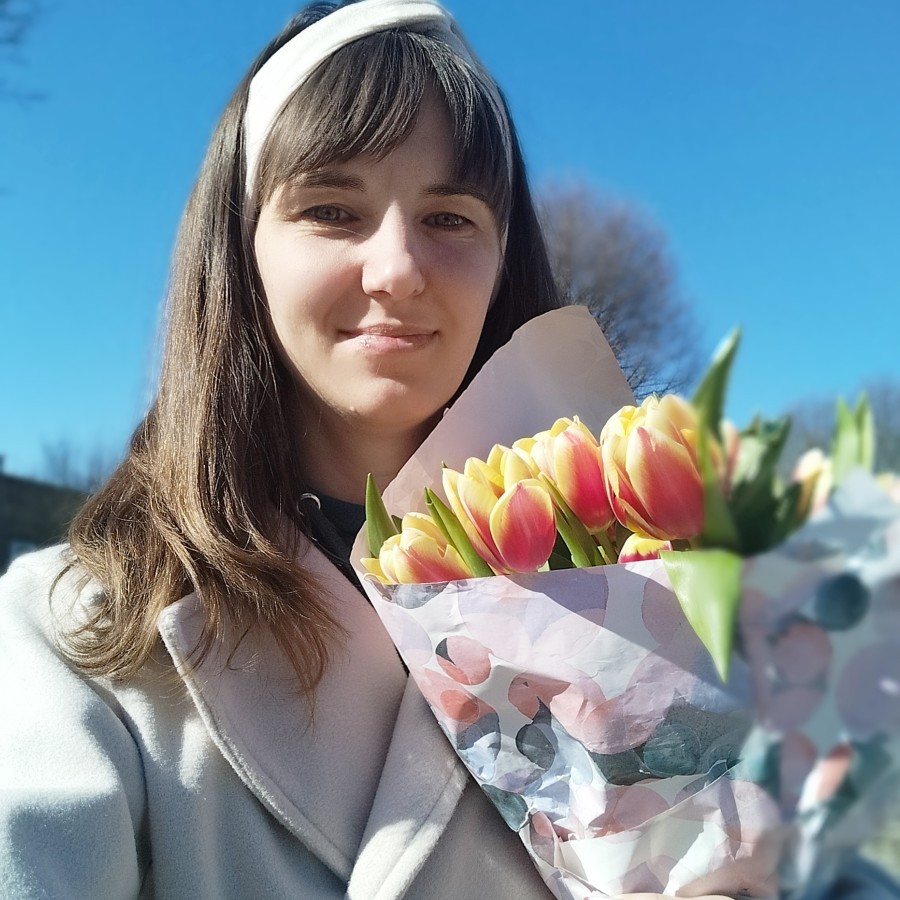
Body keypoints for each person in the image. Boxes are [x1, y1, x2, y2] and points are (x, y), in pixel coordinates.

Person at [0, 2, 897, 899]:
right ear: (242, 251)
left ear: (504, 258)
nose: (398, 268)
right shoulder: (73, 634)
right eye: (330, 209)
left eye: (450, 217)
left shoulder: (667, 588)